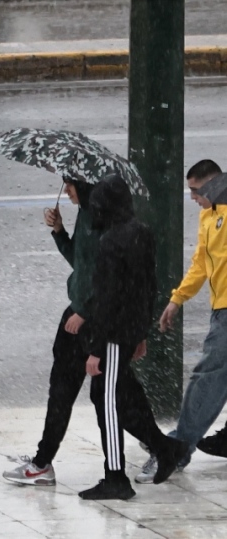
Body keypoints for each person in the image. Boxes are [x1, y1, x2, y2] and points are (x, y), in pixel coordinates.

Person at [78, 174, 186, 501]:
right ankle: (165, 447)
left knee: (107, 402)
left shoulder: (111, 241)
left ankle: (116, 477)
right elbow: (145, 288)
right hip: (128, 333)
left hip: (112, 337)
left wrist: (97, 348)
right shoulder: (141, 233)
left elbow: (109, 297)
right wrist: (140, 333)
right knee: (114, 395)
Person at [3, 179, 100, 486]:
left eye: (70, 185)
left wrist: (83, 311)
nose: (66, 191)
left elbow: (102, 274)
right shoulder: (85, 214)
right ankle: (161, 447)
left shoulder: (98, 219)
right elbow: (79, 263)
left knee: (65, 391)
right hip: (79, 312)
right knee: (103, 391)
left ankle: (43, 462)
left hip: (85, 318)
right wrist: (59, 231)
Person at [138, 159, 227, 481]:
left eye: (195, 190)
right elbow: (201, 264)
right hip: (221, 309)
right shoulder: (209, 215)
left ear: (213, 184)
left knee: (208, 377)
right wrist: (177, 300)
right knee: (213, 378)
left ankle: (177, 446)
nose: (192, 198)